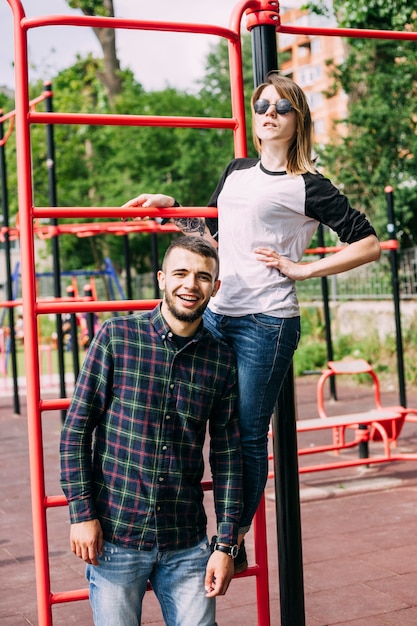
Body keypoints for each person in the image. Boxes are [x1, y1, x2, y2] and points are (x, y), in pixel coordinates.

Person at [123, 72, 381, 573]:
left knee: (244, 432)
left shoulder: (307, 185)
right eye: (262, 104)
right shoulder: (236, 170)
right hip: (218, 313)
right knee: (188, 415)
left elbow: (367, 242)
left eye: (281, 107)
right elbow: (216, 238)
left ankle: (231, 539)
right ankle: (177, 529)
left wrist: (303, 269)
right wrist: (170, 209)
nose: (268, 113)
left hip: (266, 321)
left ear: (296, 119)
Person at [60, 236, 243, 626]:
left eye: (202, 276)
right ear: (162, 278)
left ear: (216, 286)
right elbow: (76, 430)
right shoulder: (116, 337)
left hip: (186, 541)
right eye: (180, 273)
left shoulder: (221, 359)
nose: (190, 285)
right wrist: (81, 513)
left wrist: (225, 544)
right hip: (114, 536)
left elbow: (227, 455)